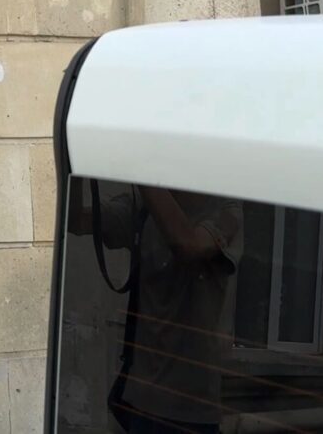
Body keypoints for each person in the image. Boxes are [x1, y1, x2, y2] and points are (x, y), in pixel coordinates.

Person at [68, 183, 242, 434]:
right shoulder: (142, 208)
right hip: (141, 403)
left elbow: (188, 245)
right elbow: (76, 221)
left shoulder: (225, 208)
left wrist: (141, 171)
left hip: (191, 409)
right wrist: (77, 170)